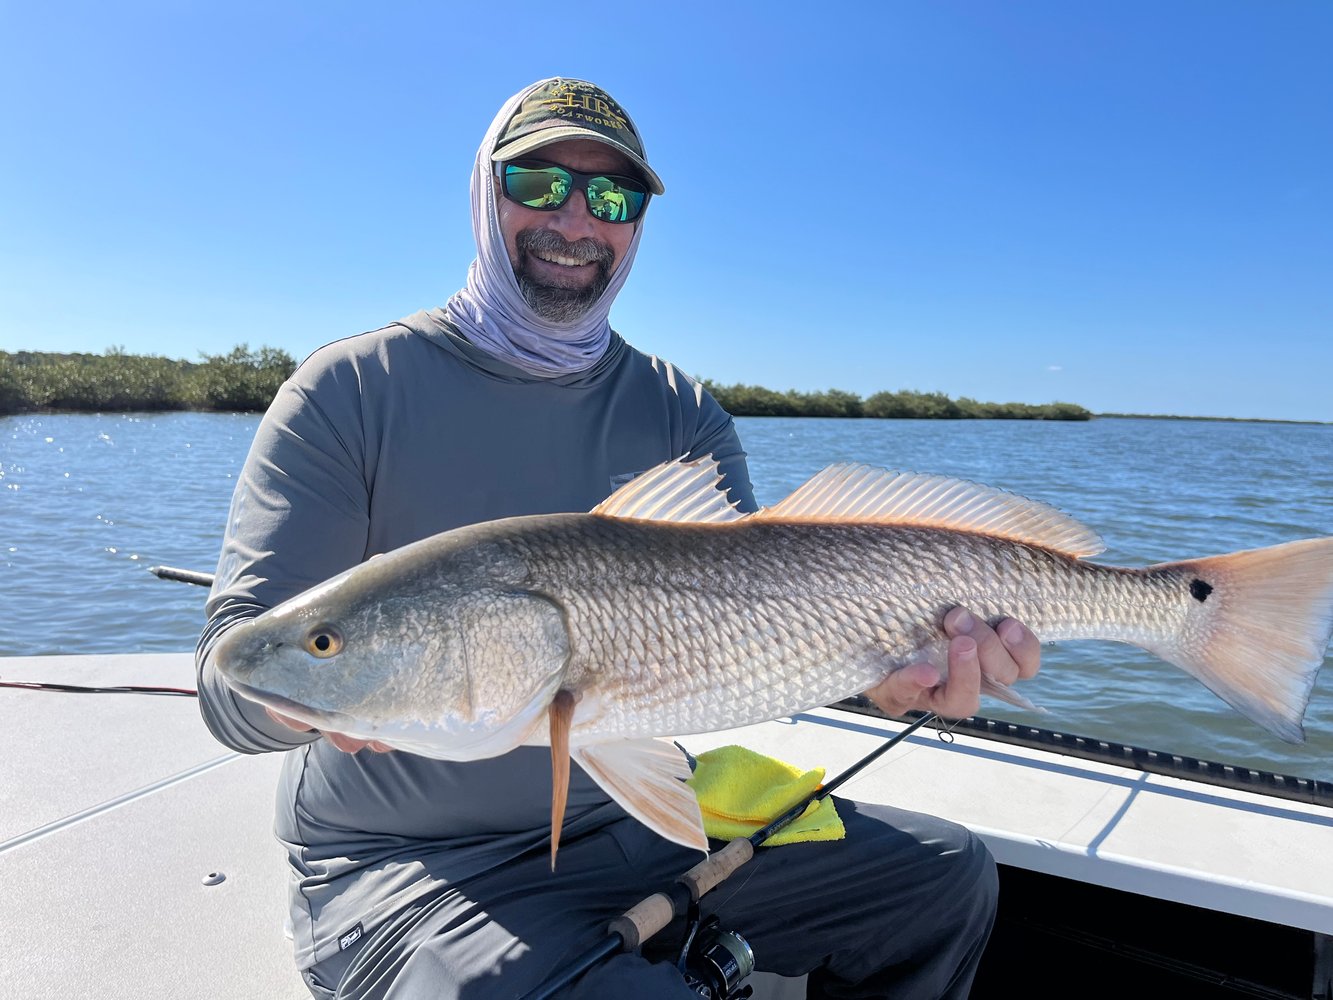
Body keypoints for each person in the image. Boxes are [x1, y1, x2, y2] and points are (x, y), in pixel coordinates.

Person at [196, 76, 1042, 999]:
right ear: (485, 192)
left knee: (942, 878)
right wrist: (312, 690)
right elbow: (229, 678)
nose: (574, 219)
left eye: (611, 197)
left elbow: (758, 635)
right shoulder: (349, 390)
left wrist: (887, 674)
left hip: (642, 823)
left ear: (636, 226)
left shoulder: (681, 413)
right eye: (538, 183)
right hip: (408, 868)